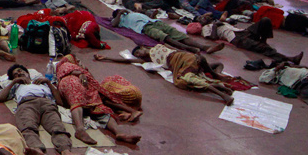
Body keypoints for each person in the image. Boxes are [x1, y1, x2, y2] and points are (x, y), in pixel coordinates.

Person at [94, 47, 235, 105]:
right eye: (137, 54)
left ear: (144, 46)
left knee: (186, 79)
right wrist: (106, 58)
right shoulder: (148, 60)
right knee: (181, 82)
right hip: (178, 64)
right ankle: (217, 83)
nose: (140, 54)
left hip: (182, 57)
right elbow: (127, 60)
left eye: (140, 51)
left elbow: (176, 49)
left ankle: (222, 94)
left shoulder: (156, 47)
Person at [54, 55, 143, 144]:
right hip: (71, 83)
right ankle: (80, 129)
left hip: (84, 91)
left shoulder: (83, 72)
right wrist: (80, 73)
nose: (79, 61)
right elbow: (69, 70)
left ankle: (119, 132)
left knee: (101, 108)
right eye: (78, 60)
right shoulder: (66, 64)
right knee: (76, 99)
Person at [0, 65, 73, 155]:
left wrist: (48, 82)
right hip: (27, 104)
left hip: (46, 103)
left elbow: (60, 101)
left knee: (57, 127)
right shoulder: (16, 85)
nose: (19, 73)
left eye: (20, 71)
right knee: (28, 127)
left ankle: (66, 152)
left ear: (27, 73)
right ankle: (37, 149)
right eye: (15, 74)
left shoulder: (42, 83)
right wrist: (14, 82)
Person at [111, 9, 224, 54]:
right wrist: (119, 14)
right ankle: (189, 48)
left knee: (178, 34)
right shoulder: (121, 20)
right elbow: (113, 24)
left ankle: (204, 47)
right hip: (145, 28)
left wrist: (152, 15)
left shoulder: (131, 13)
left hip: (154, 22)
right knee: (165, 37)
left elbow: (145, 16)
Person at [231, 17, 303, 65]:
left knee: (266, 20)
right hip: (236, 39)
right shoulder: (220, 28)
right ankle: (290, 59)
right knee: (263, 48)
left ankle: (263, 41)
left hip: (241, 32)